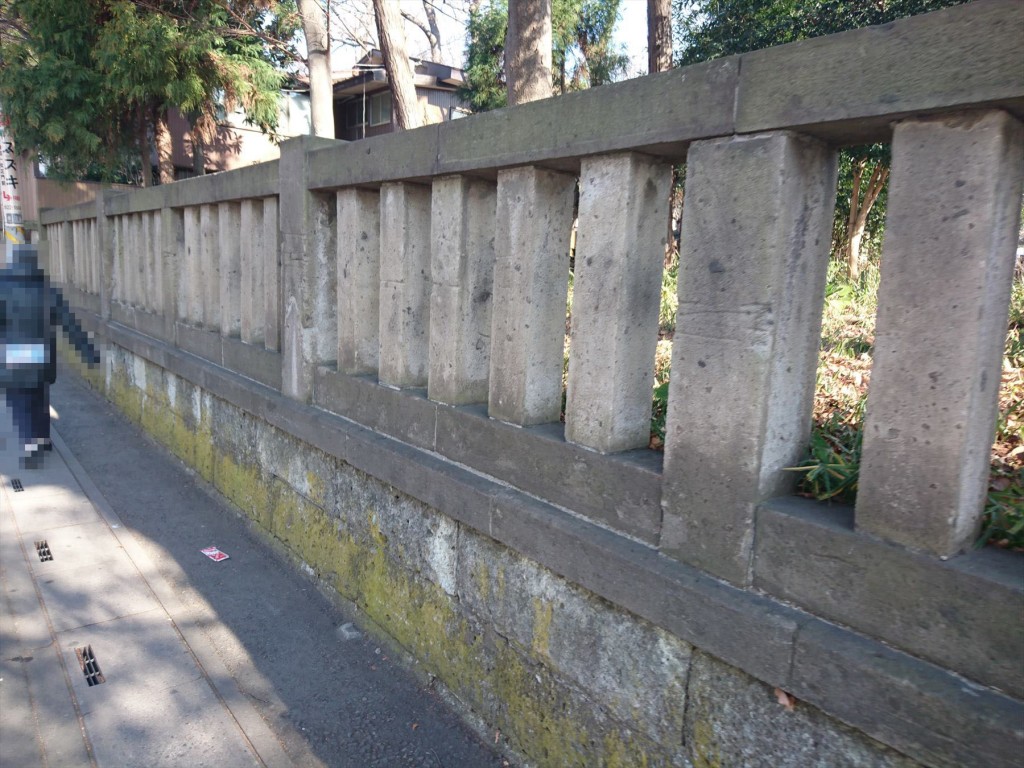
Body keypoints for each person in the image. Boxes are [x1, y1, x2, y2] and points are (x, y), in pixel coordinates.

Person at [1, 243, 99, 468]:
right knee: (40, 396)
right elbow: (69, 324)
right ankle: (43, 437)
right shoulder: (47, 289)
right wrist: (88, 353)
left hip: (14, 353)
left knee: (20, 400)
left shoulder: (2, 287)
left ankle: (30, 444)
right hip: (40, 354)